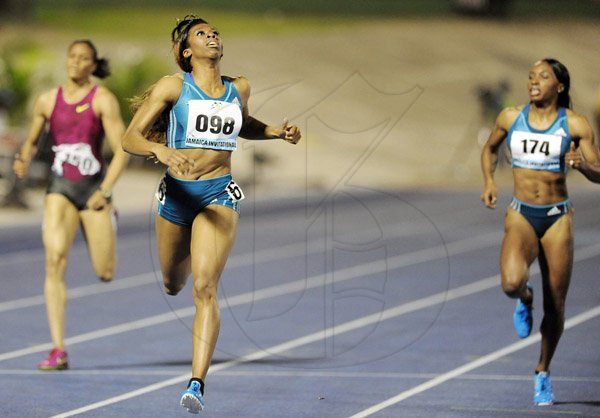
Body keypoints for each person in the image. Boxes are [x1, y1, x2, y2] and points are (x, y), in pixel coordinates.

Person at [122, 15, 301, 414]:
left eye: (215, 31)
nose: (213, 36)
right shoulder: (173, 87)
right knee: (173, 284)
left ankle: (197, 383)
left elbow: (242, 125)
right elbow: (129, 137)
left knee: (205, 287)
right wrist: (160, 150)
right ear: (187, 51)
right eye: (202, 34)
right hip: (177, 194)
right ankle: (175, 276)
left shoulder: (240, 87)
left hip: (219, 193)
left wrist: (275, 131)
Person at [480, 58, 600, 405]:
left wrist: (584, 167)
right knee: (510, 283)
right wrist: (489, 180)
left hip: (557, 217)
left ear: (559, 87)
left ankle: (543, 370)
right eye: (531, 76)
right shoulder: (510, 117)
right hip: (521, 213)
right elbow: (489, 148)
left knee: (557, 303)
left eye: (543, 77)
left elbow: (598, 171)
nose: (533, 81)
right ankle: (525, 298)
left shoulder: (574, 124)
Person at [13, 39, 130, 370]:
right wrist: (23, 159)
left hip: (93, 189)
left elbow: (122, 150)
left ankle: (109, 218)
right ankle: (58, 349)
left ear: (94, 66)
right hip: (60, 188)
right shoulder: (48, 100)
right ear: (66, 61)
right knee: (54, 259)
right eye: (72, 57)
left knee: (104, 272)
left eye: (84, 59)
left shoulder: (103, 100)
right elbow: (32, 140)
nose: (77, 63)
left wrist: (106, 191)